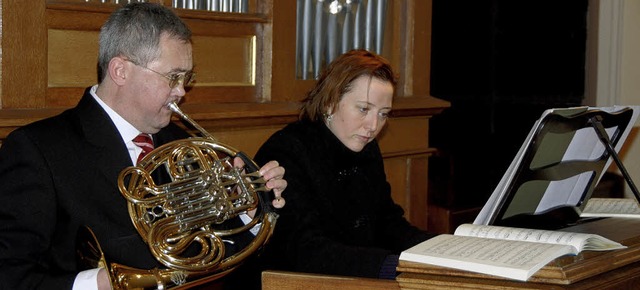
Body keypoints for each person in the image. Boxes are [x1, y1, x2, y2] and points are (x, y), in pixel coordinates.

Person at [0, 3, 286, 290]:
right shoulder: (38, 150)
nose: (181, 91)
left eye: (186, 78)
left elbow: (210, 255)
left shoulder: (182, 146)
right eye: (173, 77)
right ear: (120, 71)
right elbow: (10, 276)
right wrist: (98, 284)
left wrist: (246, 212)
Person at [253, 49, 435, 280]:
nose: (373, 125)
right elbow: (304, 249)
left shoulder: (367, 148)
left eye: (383, 114)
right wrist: (387, 267)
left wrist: (441, 249)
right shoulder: (286, 151)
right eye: (364, 109)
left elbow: (388, 223)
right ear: (330, 102)